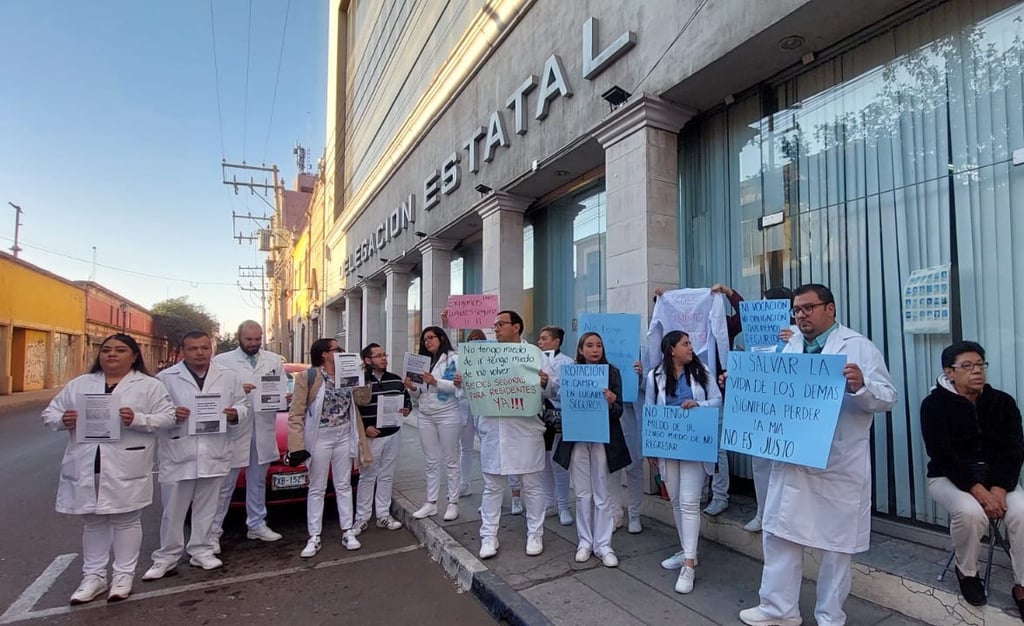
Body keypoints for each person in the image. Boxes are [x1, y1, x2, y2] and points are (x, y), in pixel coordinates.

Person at [740, 283, 896, 626]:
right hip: (793, 458)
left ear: (830, 309)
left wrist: (860, 386)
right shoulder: (787, 346)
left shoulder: (858, 348)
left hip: (837, 463)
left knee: (836, 547)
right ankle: (778, 609)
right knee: (779, 535)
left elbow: (887, 397)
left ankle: (830, 615)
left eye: (808, 308)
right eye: (797, 310)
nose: (801, 315)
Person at [42, 334, 176, 604]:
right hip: (87, 462)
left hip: (126, 462)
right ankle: (93, 577)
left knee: (125, 519)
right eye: (106, 350)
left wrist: (137, 418)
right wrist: (62, 419)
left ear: (134, 355)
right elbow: (50, 413)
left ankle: (123, 575)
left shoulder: (149, 386)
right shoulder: (80, 384)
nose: (111, 354)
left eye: (120, 350)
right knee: (93, 520)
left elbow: (168, 417)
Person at [920, 341, 1024, 610]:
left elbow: (1013, 449)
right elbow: (942, 455)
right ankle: (967, 573)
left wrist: (1000, 488)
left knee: (1021, 511)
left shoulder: (1002, 401)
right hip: (948, 477)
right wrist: (978, 491)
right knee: (970, 512)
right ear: (949, 372)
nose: (976, 371)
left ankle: (1022, 583)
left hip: (999, 478)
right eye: (967, 366)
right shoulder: (934, 405)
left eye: (980, 365)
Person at [144, 331, 248, 580]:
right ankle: (166, 556)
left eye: (204, 348)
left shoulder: (228, 376)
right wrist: (172, 414)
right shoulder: (165, 378)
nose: (199, 353)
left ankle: (201, 550)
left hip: (215, 449)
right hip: (180, 451)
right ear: (183, 351)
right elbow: (154, 412)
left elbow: (244, 404)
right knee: (174, 510)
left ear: (211, 350)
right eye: (193, 348)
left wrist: (235, 414)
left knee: (207, 506)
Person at [643, 330, 722, 593]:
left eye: (690, 343)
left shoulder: (703, 372)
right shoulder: (655, 376)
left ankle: (689, 564)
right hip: (668, 445)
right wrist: (650, 448)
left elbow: (717, 400)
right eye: (685, 344)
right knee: (675, 500)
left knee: (689, 501)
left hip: (693, 445)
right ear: (671, 350)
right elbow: (650, 410)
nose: (691, 347)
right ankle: (687, 549)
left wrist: (699, 406)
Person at [720, 284, 797, 533]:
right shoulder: (757, 336)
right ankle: (763, 513)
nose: (762, 311)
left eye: (767, 305)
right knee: (760, 464)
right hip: (760, 409)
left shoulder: (799, 335)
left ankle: (786, 517)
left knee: (787, 469)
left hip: (787, 412)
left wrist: (796, 341)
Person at [286, 337, 370, 557]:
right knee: (317, 487)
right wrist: (296, 445)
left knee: (343, 485)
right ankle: (314, 535)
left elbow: (363, 400)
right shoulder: (309, 377)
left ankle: (347, 530)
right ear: (324, 354)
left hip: (344, 434)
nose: (341, 352)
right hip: (320, 436)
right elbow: (296, 413)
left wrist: (360, 378)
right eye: (337, 349)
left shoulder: (345, 374)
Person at [211, 321, 290, 548]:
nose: (254, 344)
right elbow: (213, 394)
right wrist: (236, 391)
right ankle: (212, 533)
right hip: (236, 429)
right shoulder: (222, 362)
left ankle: (256, 525)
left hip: (263, 426)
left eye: (258, 339)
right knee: (226, 484)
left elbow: (282, 387)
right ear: (239, 338)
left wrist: (283, 397)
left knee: (257, 482)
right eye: (249, 340)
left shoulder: (274, 360)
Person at [554, 332, 629, 568]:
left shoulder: (612, 372)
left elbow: (619, 411)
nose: (595, 349)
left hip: (603, 439)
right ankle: (585, 541)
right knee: (582, 492)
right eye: (589, 345)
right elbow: (561, 402)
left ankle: (604, 544)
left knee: (602, 491)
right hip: (577, 437)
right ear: (580, 350)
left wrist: (611, 401)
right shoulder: (571, 373)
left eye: (598, 345)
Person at [477, 310, 547, 559]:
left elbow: (555, 390)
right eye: (494, 325)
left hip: (525, 430)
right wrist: (463, 382)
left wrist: (546, 382)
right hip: (495, 430)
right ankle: (488, 537)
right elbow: (473, 391)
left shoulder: (534, 354)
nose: (495, 328)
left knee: (533, 486)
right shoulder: (484, 356)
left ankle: (535, 533)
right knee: (492, 486)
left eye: (501, 324)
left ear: (516, 327)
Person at [404, 326, 462, 522]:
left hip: (447, 413)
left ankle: (453, 502)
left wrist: (435, 381)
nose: (427, 342)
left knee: (451, 459)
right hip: (425, 414)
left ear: (441, 338)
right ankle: (431, 502)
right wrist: (412, 387)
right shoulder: (422, 361)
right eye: (424, 339)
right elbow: (419, 392)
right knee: (431, 461)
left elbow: (457, 387)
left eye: (431, 338)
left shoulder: (453, 358)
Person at [352, 342, 411, 534]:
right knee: (368, 477)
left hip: (392, 434)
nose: (384, 358)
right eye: (378, 355)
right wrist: (365, 428)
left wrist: (406, 409)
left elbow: (407, 400)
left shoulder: (395, 380)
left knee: (386, 476)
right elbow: (353, 410)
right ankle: (361, 518)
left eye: (384, 354)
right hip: (371, 437)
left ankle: (383, 515)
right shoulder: (359, 381)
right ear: (368, 360)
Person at [538, 325, 574, 527]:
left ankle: (563, 506)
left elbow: (565, 392)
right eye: (540, 339)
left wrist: (548, 384)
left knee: (558, 463)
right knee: (543, 462)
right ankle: (549, 502)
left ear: (556, 341)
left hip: (558, 416)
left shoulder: (567, 363)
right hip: (538, 416)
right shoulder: (533, 361)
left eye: (544, 339)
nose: (540, 342)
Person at [458, 328, 487, 497]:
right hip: (465, 404)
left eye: (478, 340)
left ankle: (487, 486)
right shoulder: (461, 359)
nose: (474, 343)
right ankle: (464, 483)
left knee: (485, 447)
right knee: (465, 447)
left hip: (481, 404)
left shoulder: (489, 360)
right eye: (472, 340)